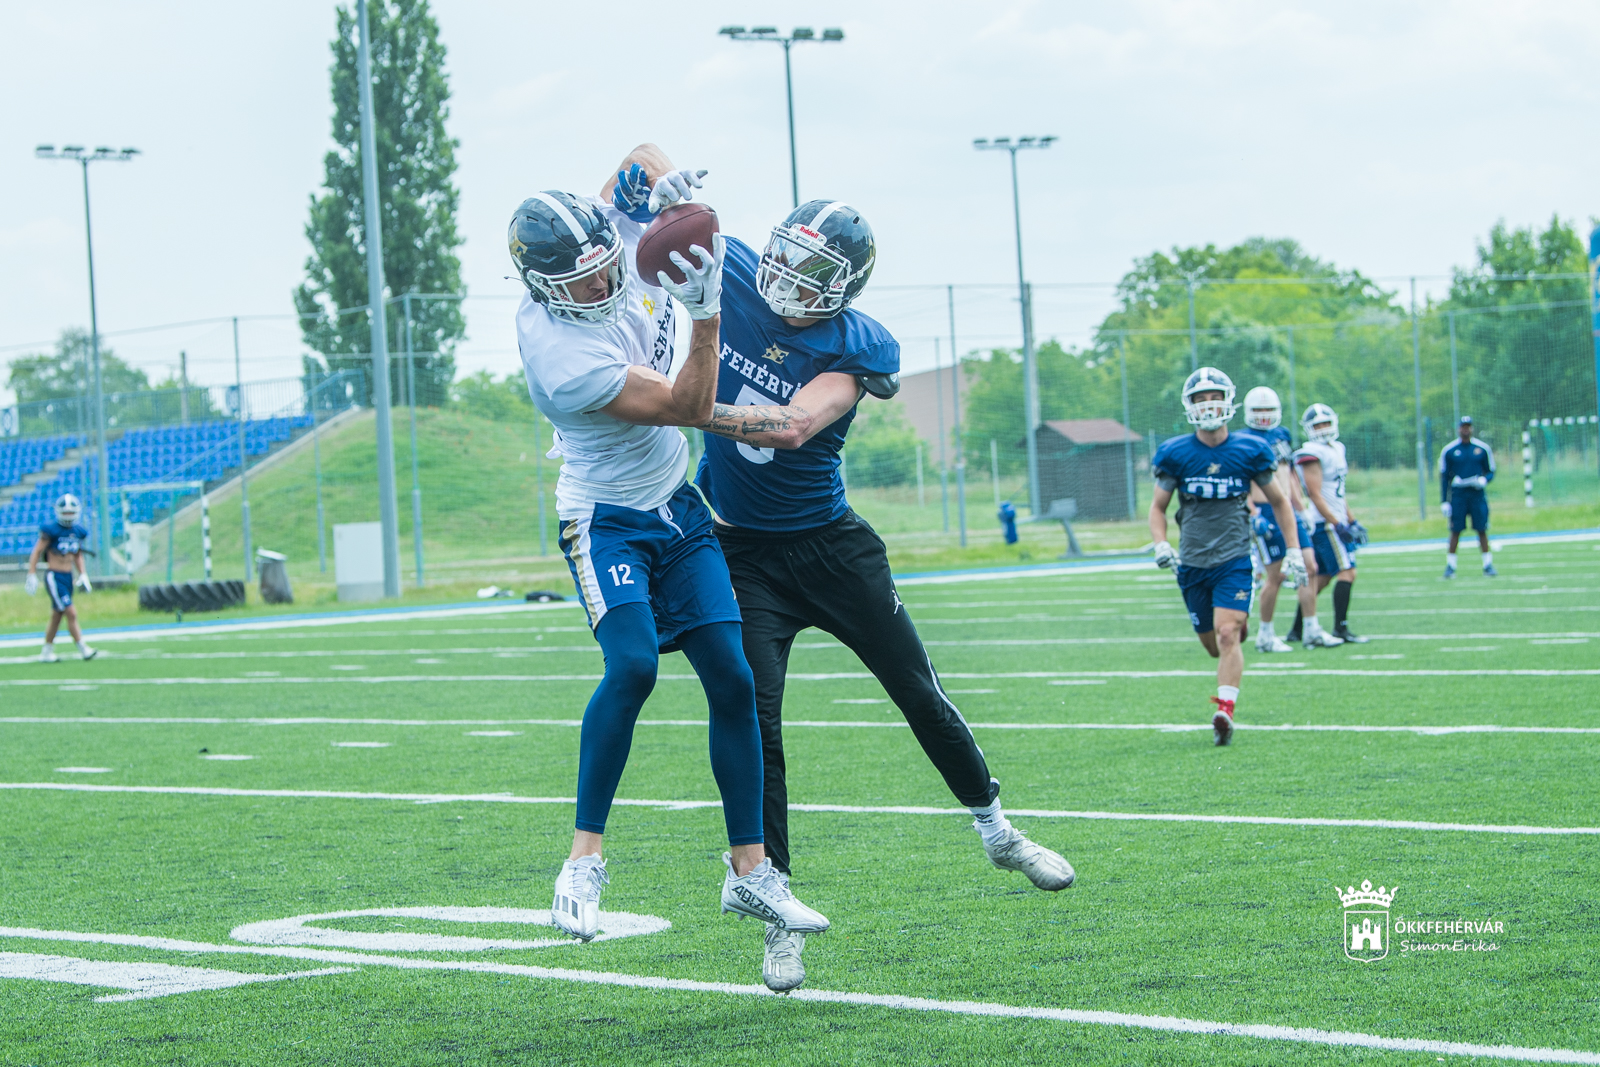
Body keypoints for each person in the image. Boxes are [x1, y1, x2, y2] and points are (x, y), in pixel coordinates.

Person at [692, 199, 1075, 993]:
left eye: (816, 271)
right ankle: (776, 901)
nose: (793, 278)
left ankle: (996, 829)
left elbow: (795, 425)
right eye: (789, 256)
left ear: (847, 285)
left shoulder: (858, 342)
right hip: (737, 552)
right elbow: (647, 167)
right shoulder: (725, 264)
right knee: (756, 719)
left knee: (917, 688)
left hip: (830, 546)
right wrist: (656, 193)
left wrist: (689, 408)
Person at [509, 145, 827, 961]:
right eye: (583, 280)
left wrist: (663, 182)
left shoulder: (596, 239)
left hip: (677, 507)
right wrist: (708, 308)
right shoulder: (561, 356)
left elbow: (637, 157)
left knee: (733, 672)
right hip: (606, 517)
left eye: (606, 264)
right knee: (635, 666)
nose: (605, 281)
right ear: (544, 288)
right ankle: (584, 861)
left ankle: (750, 869)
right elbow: (689, 403)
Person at [1149, 368, 1307, 746]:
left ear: (1229, 401)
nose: (1208, 404)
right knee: (1212, 643)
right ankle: (1237, 625)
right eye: (1200, 398)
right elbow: (1158, 507)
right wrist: (1160, 542)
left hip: (1235, 556)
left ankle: (1225, 711)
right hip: (1192, 561)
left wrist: (1295, 550)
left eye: (1214, 396)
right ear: (1189, 406)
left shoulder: (1249, 449)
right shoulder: (1176, 452)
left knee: (1226, 633)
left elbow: (1281, 502)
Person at [1236, 387, 1340, 651]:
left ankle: (1312, 629)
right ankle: (1266, 635)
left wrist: (1301, 507)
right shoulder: (1242, 440)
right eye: (1258, 410)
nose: (1263, 416)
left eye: (1268, 410)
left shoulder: (1281, 434)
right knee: (1276, 576)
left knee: (1310, 567)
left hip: (1288, 510)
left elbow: (1288, 472)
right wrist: (1252, 513)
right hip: (1264, 509)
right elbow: (1240, 480)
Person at [1287, 404, 1368, 645]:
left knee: (1320, 579)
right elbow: (1315, 494)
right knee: (1347, 572)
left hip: (1335, 519)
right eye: (1317, 425)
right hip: (1325, 523)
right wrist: (1337, 523)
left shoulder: (1337, 448)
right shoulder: (1311, 452)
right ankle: (1340, 629)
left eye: (1325, 423)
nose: (1322, 429)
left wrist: (1351, 519)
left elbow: (1337, 493)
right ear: (1309, 429)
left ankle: (1296, 630)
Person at [25, 494, 98, 663]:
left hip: (68, 577)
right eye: (65, 513)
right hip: (54, 576)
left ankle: (46, 651)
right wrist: (31, 573)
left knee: (57, 615)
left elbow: (77, 554)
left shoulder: (78, 531)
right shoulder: (51, 530)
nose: (68, 516)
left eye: (70, 513)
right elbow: (37, 551)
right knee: (71, 613)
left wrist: (83, 574)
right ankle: (83, 648)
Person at [1439, 415, 1496, 578]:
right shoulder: (1449, 451)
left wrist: (1484, 480)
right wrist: (1444, 501)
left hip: (1477, 494)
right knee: (1455, 530)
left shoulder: (1481, 448)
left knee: (1482, 529)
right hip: (1459, 496)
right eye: (1463, 426)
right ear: (1459, 429)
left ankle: (1487, 564)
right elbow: (1444, 477)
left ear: (1472, 428)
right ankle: (1450, 566)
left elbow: (1491, 470)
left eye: (1468, 426)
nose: (1466, 429)